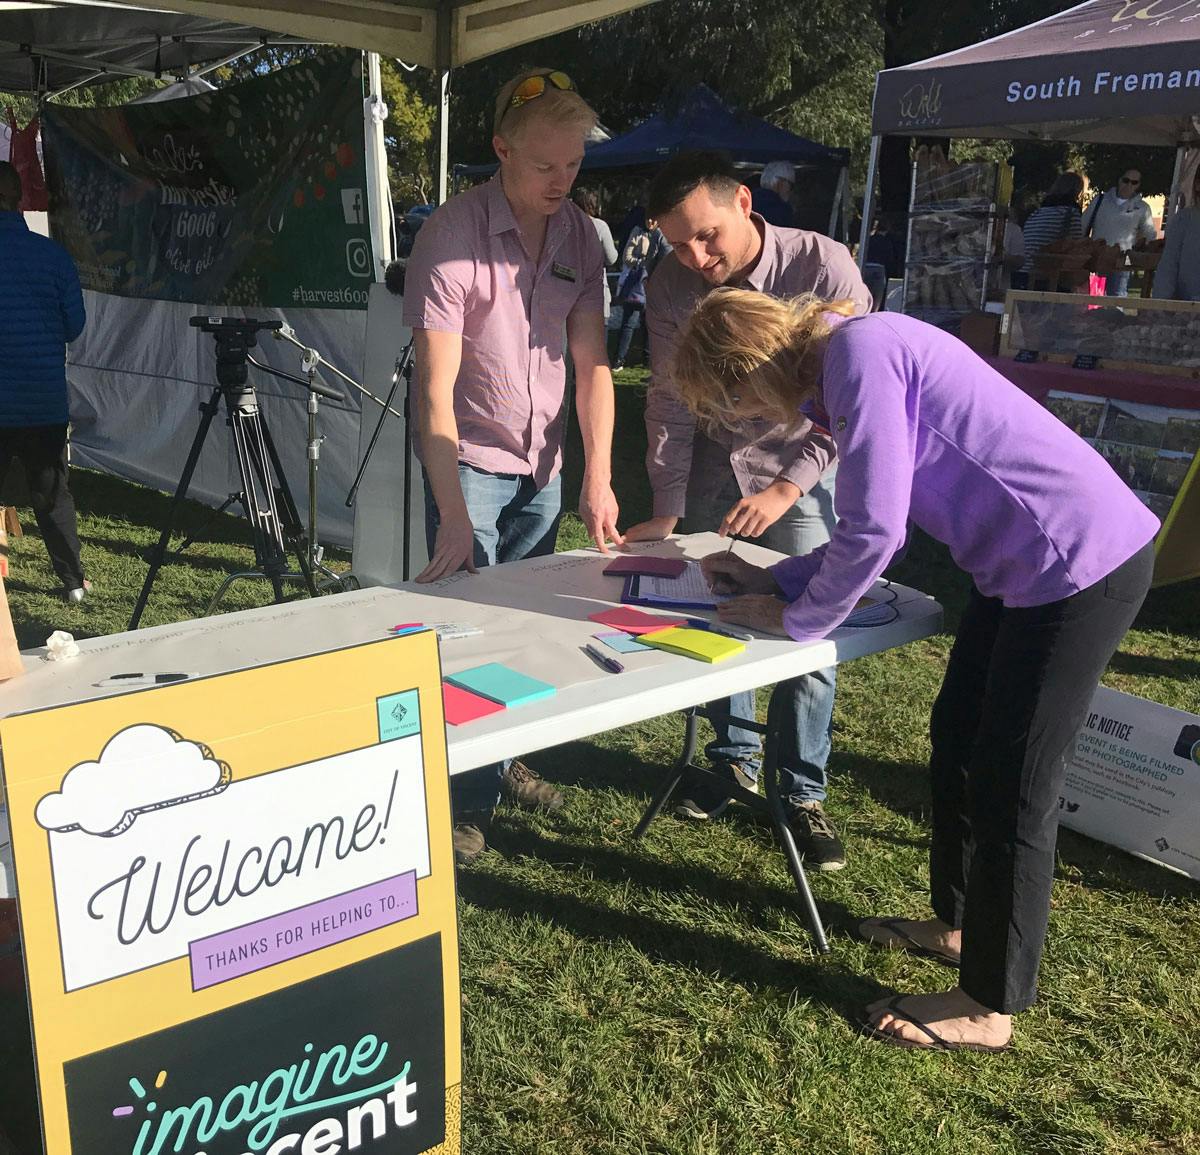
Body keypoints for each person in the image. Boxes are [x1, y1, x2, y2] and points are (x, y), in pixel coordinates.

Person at [675, 287, 1157, 1052]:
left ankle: (989, 1004)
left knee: (1014, 783)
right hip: (1022, 572)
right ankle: (957, 923)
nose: (745, 420)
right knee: (957, 739)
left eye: (733, 400)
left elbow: (875, 529)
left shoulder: (859, 356)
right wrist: (781, 581)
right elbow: (866, 527)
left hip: (1078, 565)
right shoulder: (847, 360)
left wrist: (797, 619)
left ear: (750, 366)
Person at [624, 150, 872, 871]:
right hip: (712, 463)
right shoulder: (669, 283)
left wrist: (788, 487)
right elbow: (670, 397)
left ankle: (800, 788)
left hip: (799, 467)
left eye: (706, 236)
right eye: (676, 242)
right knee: (716, 607)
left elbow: (854, 401)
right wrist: (668, 503)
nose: (695, 257)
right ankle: (730, 760)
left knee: (809, 621)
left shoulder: (821, 266)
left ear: (741, 200)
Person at [403, 69, 622, 863]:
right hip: (469, 462)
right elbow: (432, 393)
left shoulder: (578, 240)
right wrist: (454, 512)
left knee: (527, 635)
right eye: (544, 166)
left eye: (573, 165)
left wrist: (596, 475)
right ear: (501, 150)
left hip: (544, 467)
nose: (562, 180)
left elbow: (593, 364)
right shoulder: (450, 236)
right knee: (468, 638)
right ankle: (464, 801)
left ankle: (506, 759)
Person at [0, 160, 89, 603]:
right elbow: (75, 326)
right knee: (53, 496)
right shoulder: (54, 257)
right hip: (42, 400)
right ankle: (73, 583)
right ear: (18, 199)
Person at [1083, 168, 1157, 296]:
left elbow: (1149, 235)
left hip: (1124, 261)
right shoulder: (1100, 200)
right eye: (1126, 180)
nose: (1129, 185)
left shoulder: (1142, 208)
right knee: (1091, 300)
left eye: (1134, 182)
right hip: (1097, 259)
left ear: (1138, 185)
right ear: (1119, 180)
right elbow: (1083, 225)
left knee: (1118, 298)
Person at [611, 216, 669, 370]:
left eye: (654, 219)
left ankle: (648, 358)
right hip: (638, 285)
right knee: (629, 322)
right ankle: (619, 359)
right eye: (648, 219)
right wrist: (642, 263)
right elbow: (627, 256)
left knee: (650, 323)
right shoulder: (638, 232)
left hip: (654, 285)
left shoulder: (663, 234)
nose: (650, 223)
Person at [1019, 172, 1087, 287]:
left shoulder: (1036, 214)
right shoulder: (1070, 214)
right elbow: (1076, 250)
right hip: (1049, 279)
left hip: (1024, 275)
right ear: (1077, 191)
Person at [1153, 164, 1200, 302]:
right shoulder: (1184, 219)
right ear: (1197, 185)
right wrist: (1161, 304)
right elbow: (1169, 264)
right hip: (1188, 308)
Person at [572, 187, 618, 321]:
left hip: (569, 290)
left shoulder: (565, 225)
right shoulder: (600, 226)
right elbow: (612, 258)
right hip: (596, 291)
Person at [751, 160, 796, 228]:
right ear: (780, 183)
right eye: (791, 185)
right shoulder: (782, 211)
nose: (791, 191)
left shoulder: (748, 200)